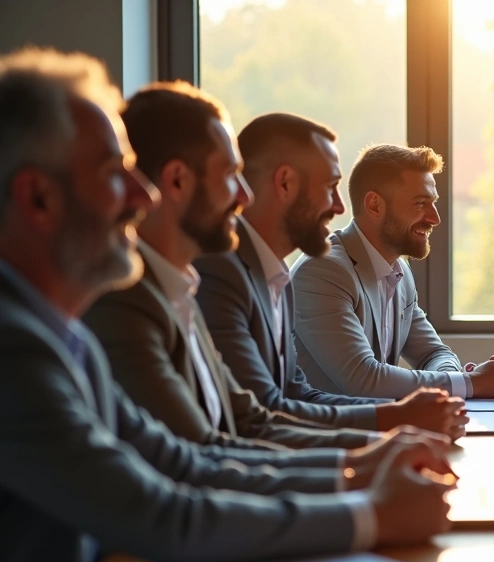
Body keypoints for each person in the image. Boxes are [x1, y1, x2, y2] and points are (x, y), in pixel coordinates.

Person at [0, 47, 453, 562]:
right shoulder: (16, 350)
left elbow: (184, 455)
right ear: (39, 199)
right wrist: (368, 512)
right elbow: (163, 511)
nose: (142, 196)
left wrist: (351, 474)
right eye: (115, 172)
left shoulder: (58, 337)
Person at [83, 85, 465, 448]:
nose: (243, 195)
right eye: (230, 175)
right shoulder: (215, 277)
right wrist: (378, 445)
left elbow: (276, 402)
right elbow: (231, 436)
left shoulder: (217, 280)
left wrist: (396, 422)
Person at [186, 110, 467, 437]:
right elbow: (261, 417)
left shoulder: (274, 277)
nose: (339, 206)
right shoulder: (225, 275)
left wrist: (400, 417)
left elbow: (297, 394)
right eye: (331, 187)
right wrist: (390, 427)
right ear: (285, 183)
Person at [291, 143, 494, 400]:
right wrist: (470, 384)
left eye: (433, 203)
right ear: (375, 206)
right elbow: (363, 379)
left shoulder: (399, 271)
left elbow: (433, 354)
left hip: (381, 431)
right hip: (326, 436)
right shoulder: (323, 271)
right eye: (420, 203)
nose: (435, 218)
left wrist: (459, 379)